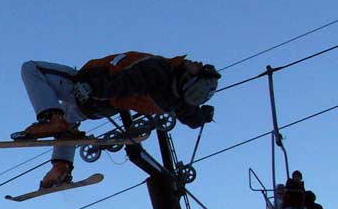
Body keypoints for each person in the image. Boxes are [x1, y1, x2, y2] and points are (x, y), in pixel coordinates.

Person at [16, 52, 220, 190]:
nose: (198, 63)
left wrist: (92, 88)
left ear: (189, 80)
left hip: (88, 90)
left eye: (199, 69)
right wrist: (203, 116)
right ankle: (61, 167)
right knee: (69, 122)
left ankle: (50, 118)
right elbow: (191, 117)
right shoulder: (175, 100)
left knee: (31, 69)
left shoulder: (160, 70)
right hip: (101, 107)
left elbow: (123, 82)